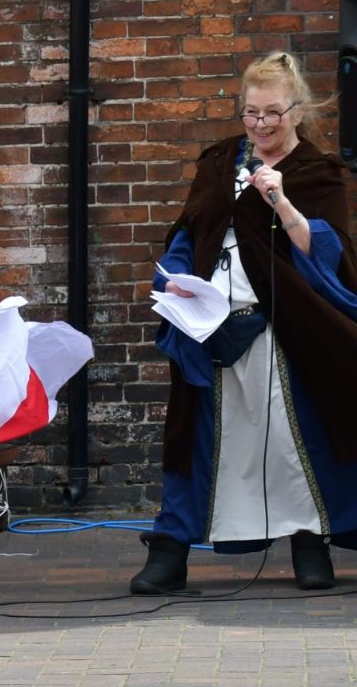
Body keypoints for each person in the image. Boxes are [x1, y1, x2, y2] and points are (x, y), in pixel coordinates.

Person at [135, 52, 357, 594]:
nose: (260, 124)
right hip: (210, 326)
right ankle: (171, 550)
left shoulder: (317, 172)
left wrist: (281, 202)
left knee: (296, 440)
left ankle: (309, 543)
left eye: (272, 113)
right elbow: (189, 231)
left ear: (297, 111)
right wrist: (176, 278)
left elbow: (328, 253)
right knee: (195, 437)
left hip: (286, 328)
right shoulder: (217, 164)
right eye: (251, 113)